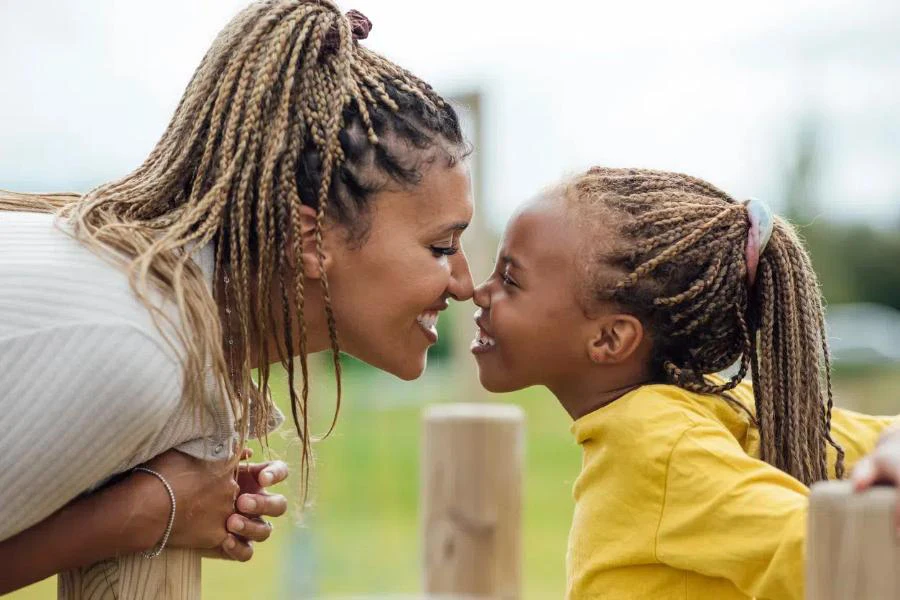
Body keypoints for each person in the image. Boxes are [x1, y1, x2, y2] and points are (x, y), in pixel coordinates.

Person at [0, 0, 475, 592]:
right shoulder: (138, 343)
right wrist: (144, 514)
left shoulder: (168, 322)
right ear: (311, 240)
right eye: (441, 246)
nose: (466, 283)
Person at [469, 166, 898, 599]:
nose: (478, 292)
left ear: (610, 338)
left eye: (510, 279)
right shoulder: (722, 408)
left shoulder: (654, 446)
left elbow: (824, 553)